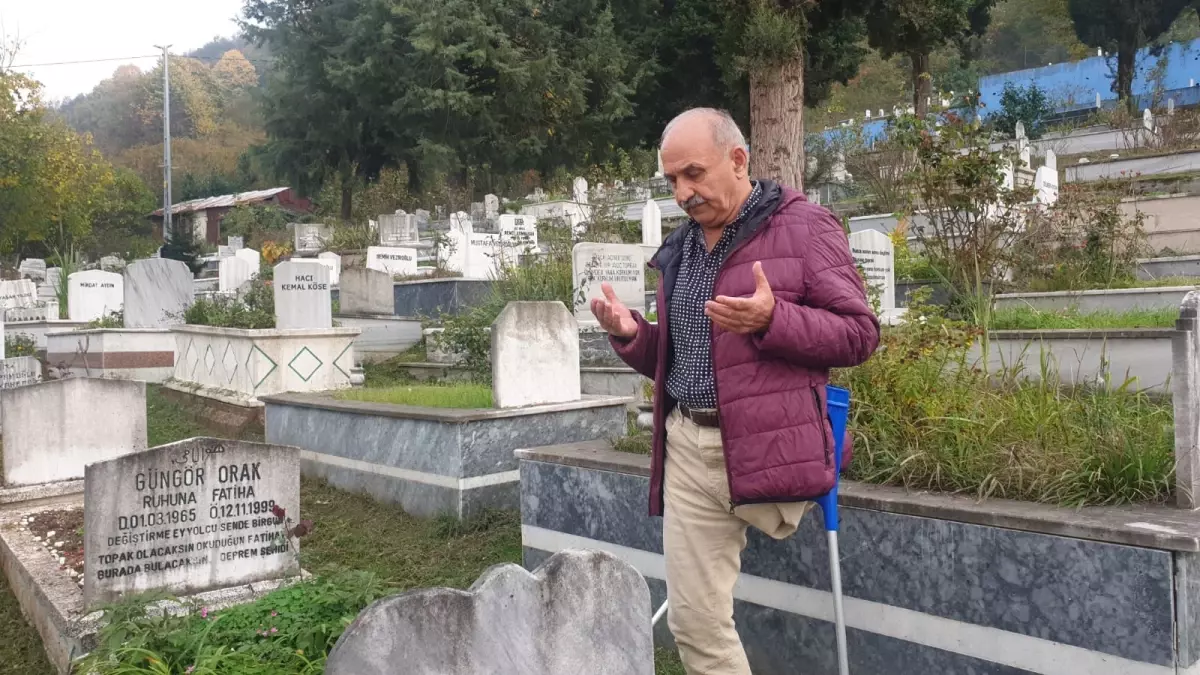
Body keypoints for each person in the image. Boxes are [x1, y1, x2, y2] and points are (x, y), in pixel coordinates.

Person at [590, 108, 880, 675]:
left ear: (739, 160)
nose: (682, 193)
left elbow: (859, 334)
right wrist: (631, 334)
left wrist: (775, 319)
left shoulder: (806, 227)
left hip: (769, 445)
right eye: (672, 180)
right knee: (693, 623)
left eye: (694, 174)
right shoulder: (681, 247)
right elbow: (688, 360)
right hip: (687, 448)